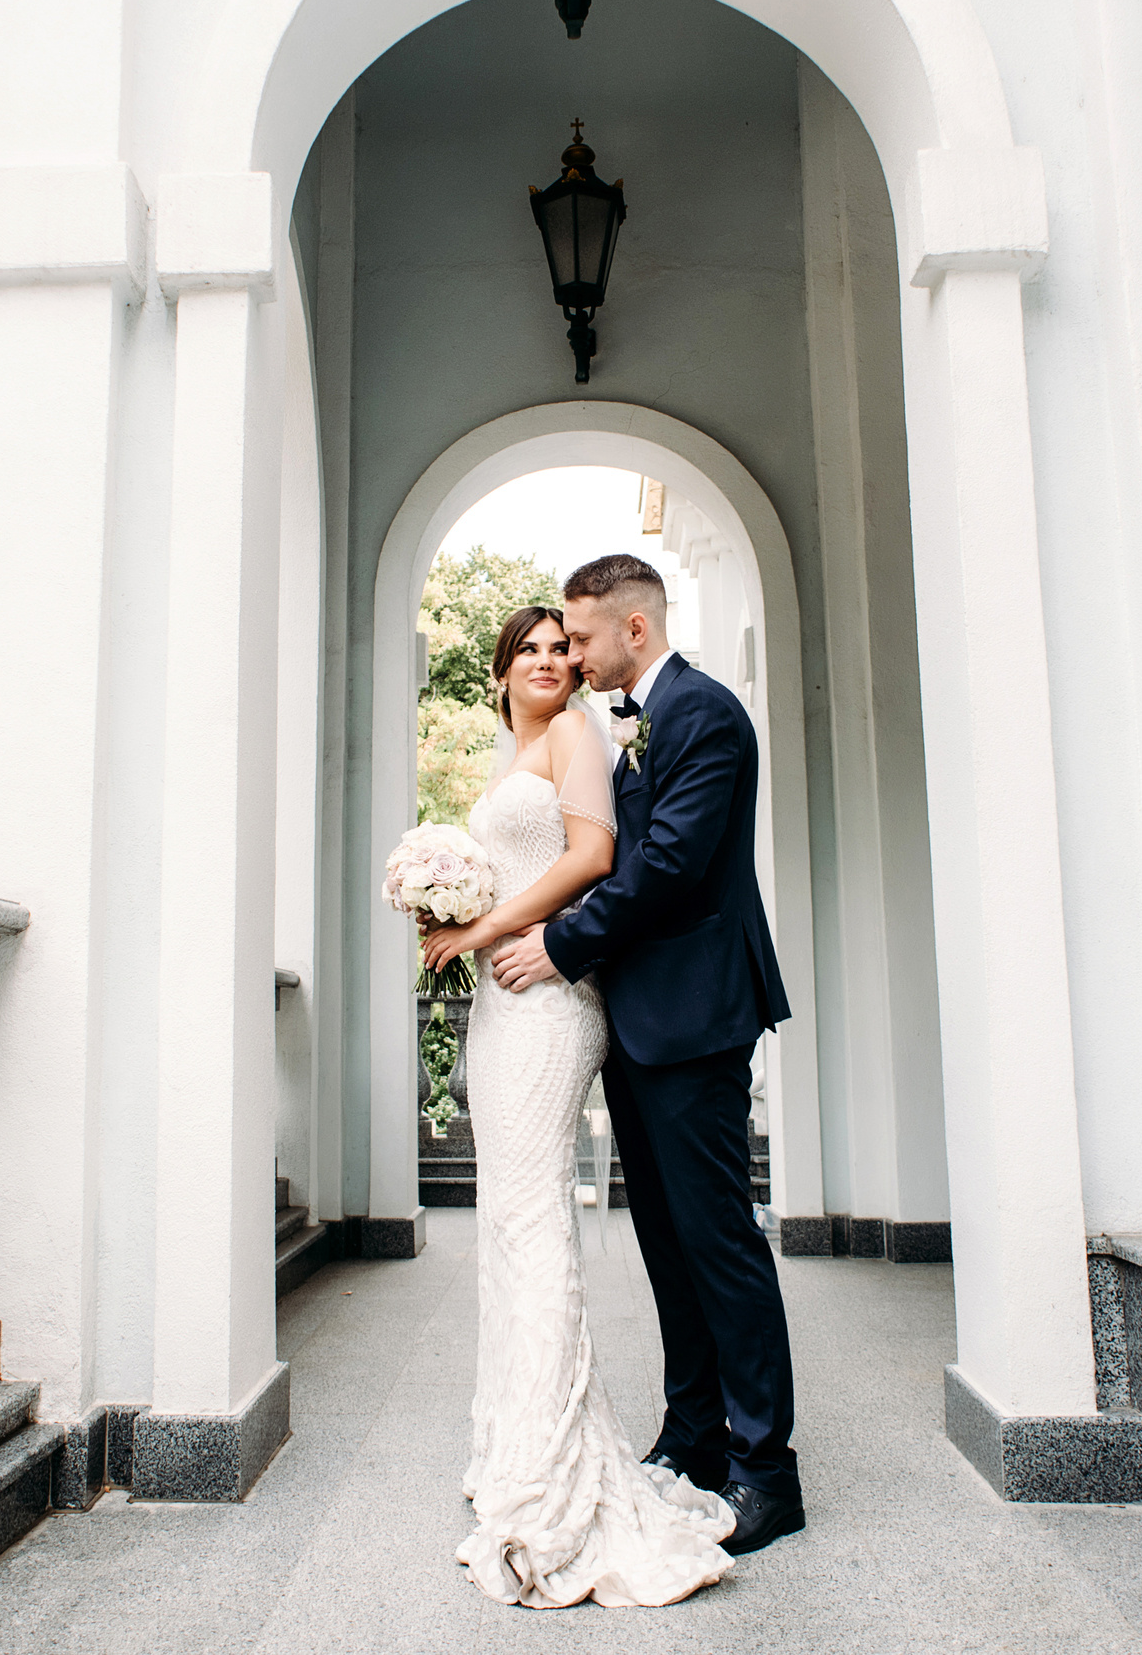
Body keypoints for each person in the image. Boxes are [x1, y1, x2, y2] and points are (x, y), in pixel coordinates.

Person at [418, 603, 738, 1608]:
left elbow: (592, 858)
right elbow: (520, 863)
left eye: (564, 646)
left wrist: (481, 932)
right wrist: (444, 904)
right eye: (531, 649)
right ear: (500, 670)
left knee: (532, 1219)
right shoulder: (514, 754)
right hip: (503, 1001)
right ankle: (517, 1444)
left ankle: (556, 1469)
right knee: (508, 1221)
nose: (552, 659)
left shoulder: (574, 733)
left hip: (552, 999)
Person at [487, 554, 804, 1558]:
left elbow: (667, 863)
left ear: (634, 628)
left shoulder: (705, 714)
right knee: (667, 1240)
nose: (573, 656)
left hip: (697, 1015)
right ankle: (694, 1435)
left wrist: (559, 944)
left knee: (718, 1238)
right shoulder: (632, 723)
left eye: (580, 637)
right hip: (638, 1019)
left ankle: (766, 1469)